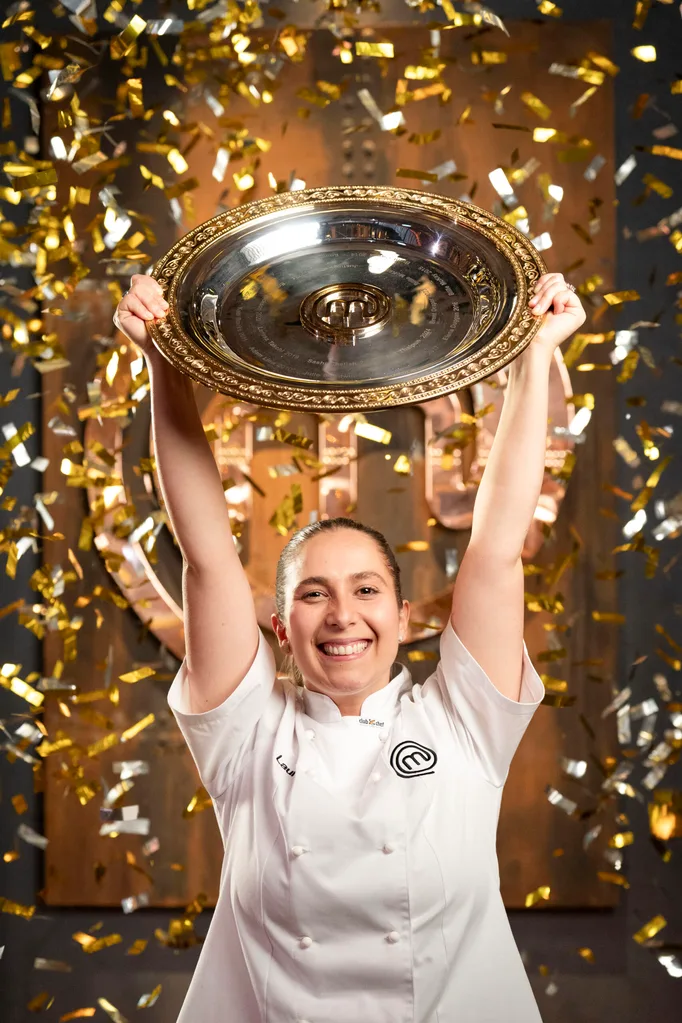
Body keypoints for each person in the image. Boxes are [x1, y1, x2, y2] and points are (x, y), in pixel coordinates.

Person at [114, 270, 586, 1023]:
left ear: (402, 617)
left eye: (366, 590)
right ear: (280, 628)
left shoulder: (462, 720)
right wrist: (162, 364)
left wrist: (536, 359)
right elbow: (206, 553)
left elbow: (496, 549)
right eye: (311, 593)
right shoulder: (247, 734)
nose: (342, 615)